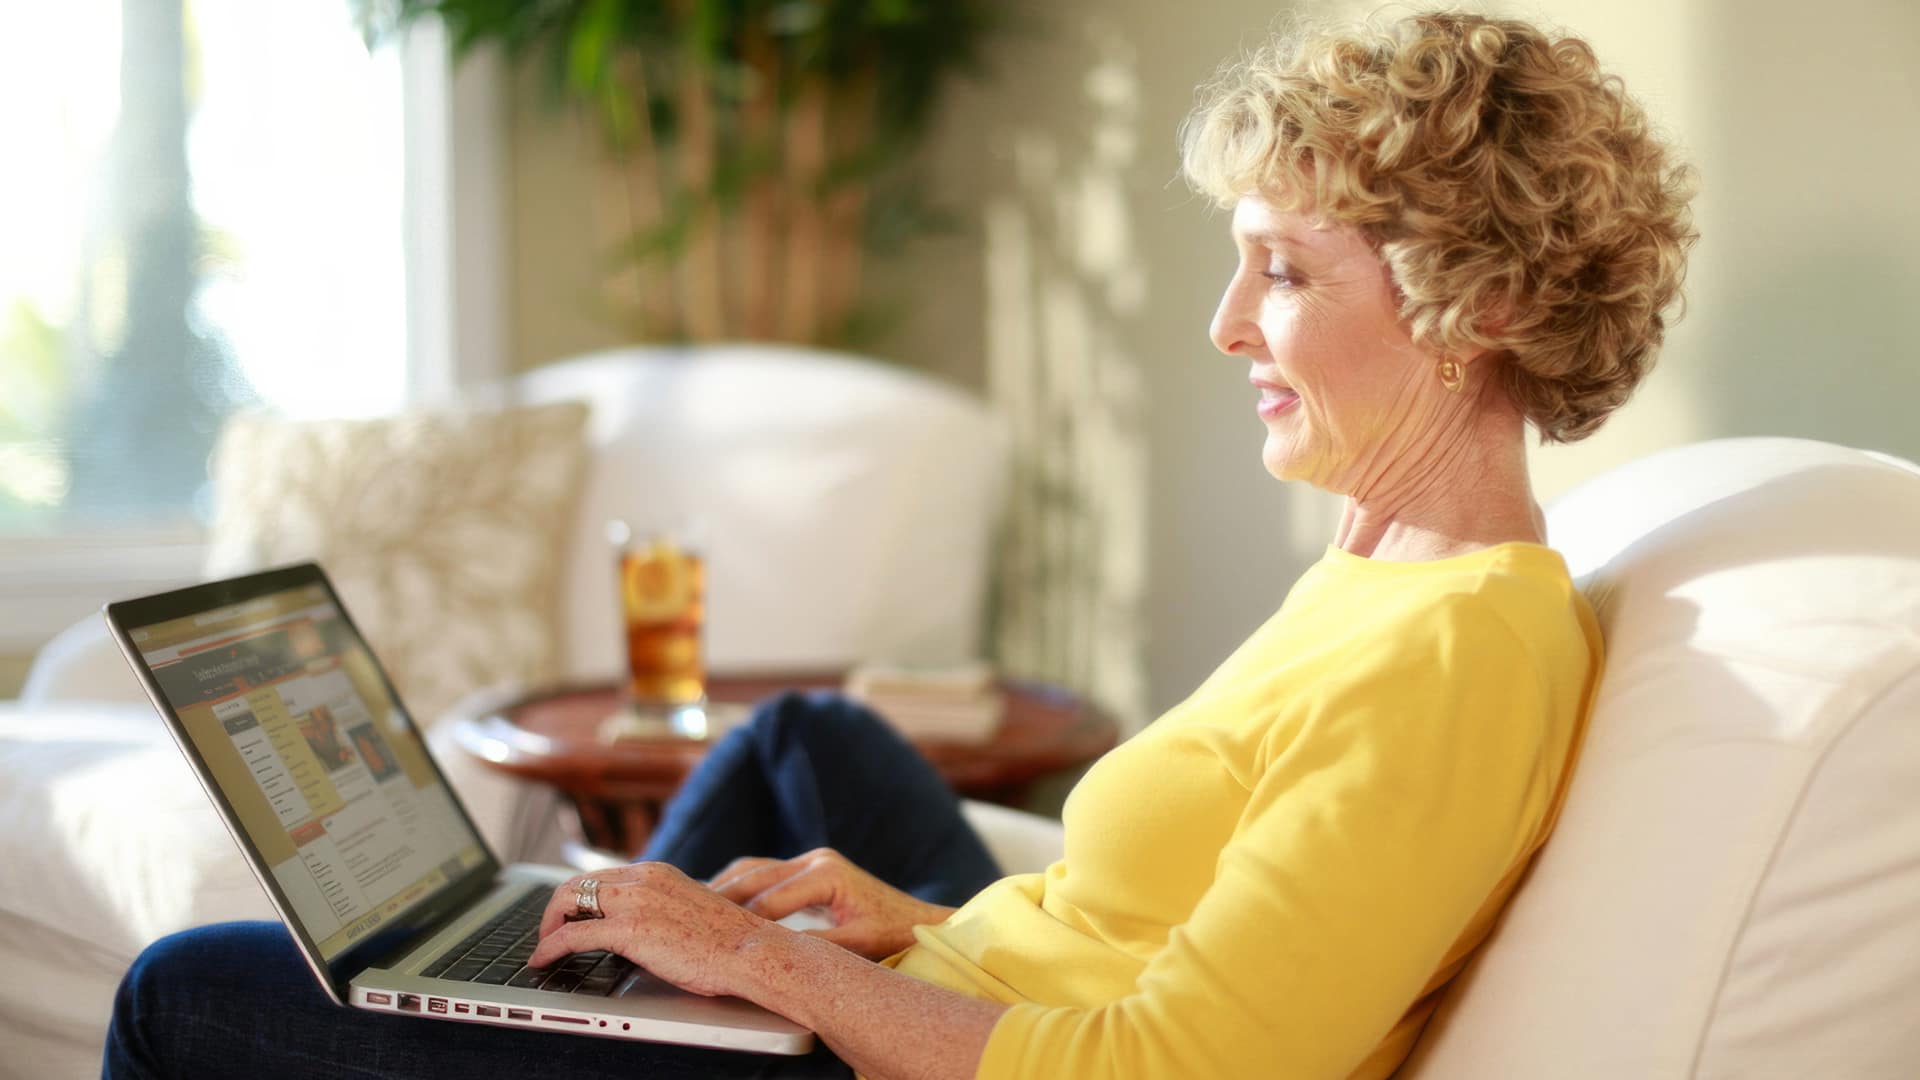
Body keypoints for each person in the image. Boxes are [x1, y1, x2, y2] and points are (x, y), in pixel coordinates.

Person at [104, 10, 1696, 1079]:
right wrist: (908, 924)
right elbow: (1139, 926)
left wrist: (770, 968)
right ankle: (589, 978)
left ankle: (594, 990)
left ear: (1476, 307)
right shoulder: (1382, 568)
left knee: (188, 989)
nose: (1225, 327)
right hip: (958, 988)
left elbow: (1183, 1067)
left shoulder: (1459, 651)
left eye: (1281, 271)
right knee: (815, 740)